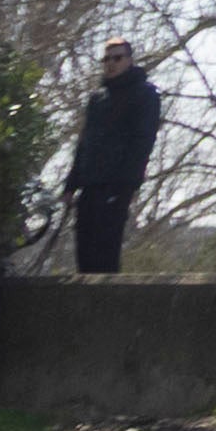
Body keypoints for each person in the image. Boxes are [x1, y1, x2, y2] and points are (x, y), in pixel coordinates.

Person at [67, 40, 163, 277]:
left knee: (105, 251)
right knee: (85, 251)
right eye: (106, 59)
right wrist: (71, 184)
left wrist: (127, 183)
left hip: (117, 184)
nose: (111, 63)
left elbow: (143, 141)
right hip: (90, 183)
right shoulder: (97, 98)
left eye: (117, 58)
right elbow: (84, 142)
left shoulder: (145, 94)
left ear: (129, 60)